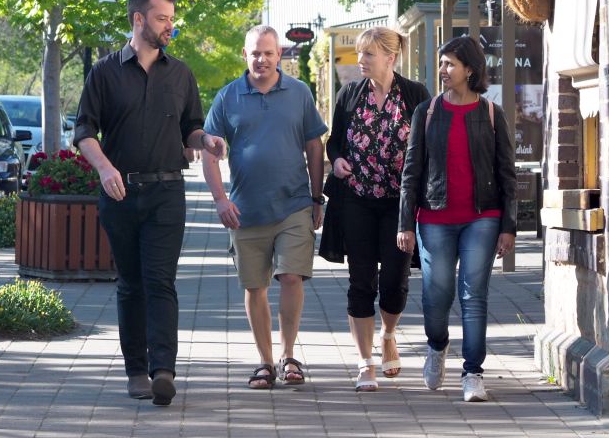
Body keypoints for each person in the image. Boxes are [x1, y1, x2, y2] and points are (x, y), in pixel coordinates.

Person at [74, 0, 226, 406]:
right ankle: (136, 371)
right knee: (131, 284)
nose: (170, 26)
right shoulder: (104, 72)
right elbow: (84, 131)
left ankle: (164, 370)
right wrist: (104, 168)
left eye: (171, 19)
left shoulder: (181, 74)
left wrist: (207, 139)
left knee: (160, 281)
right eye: (162, 19)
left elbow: (190, 129)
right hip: (120, 194)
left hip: (167, 192)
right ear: (138, 20)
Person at [202, 25, 327, 390]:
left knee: (290, 276)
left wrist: (317, 197)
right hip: (245, 210)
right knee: (255, 286)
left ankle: (289, 356)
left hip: (294, 204)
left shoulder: (299, 93)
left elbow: (315, 147)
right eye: (255, 53)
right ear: (245, 54)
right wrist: (220, 200)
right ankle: (266, 362)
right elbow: (209, 154)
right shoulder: (227, 98)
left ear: (279, 55)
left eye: (269, 53)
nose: (262, 59)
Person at [397, 35, 516, 402]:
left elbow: (507, 172)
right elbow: (411, 171)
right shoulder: (427, 112)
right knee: (437, 294)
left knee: (473, 294)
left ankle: (473, 372)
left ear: (470, 69)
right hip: (434, 217)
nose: (443, 70)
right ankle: (436, 346)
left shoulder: (492, 114)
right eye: (442, 63)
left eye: (450, 63)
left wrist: (509, 227)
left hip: (482, 217)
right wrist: (405, 223)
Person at [325, 27, 430, 392]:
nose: (361, 61)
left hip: (397, 204)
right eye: (359, 53)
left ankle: (388, 334)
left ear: (391, 57)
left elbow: (426, 151)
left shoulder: (415, 95)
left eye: (369, 54)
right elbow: (334, 144)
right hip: (356, 199)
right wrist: (337, 160)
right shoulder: (350, 95)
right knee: (360, 280)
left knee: (394, 282)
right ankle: (364, 361)